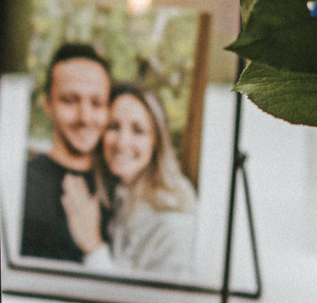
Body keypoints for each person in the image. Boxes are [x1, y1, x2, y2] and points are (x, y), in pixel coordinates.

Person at [20, 42, 112, 263]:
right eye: (70, 101)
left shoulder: (123, 186)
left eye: (97, 103)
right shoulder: (21, 184)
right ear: (47, 104)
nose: (85, 118)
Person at [97, 81, 200, 279]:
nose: (122, 142)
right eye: (113, 126)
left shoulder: (173, 219)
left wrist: (93, 249)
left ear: (156, 142)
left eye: (138, 131)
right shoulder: (119, 195)